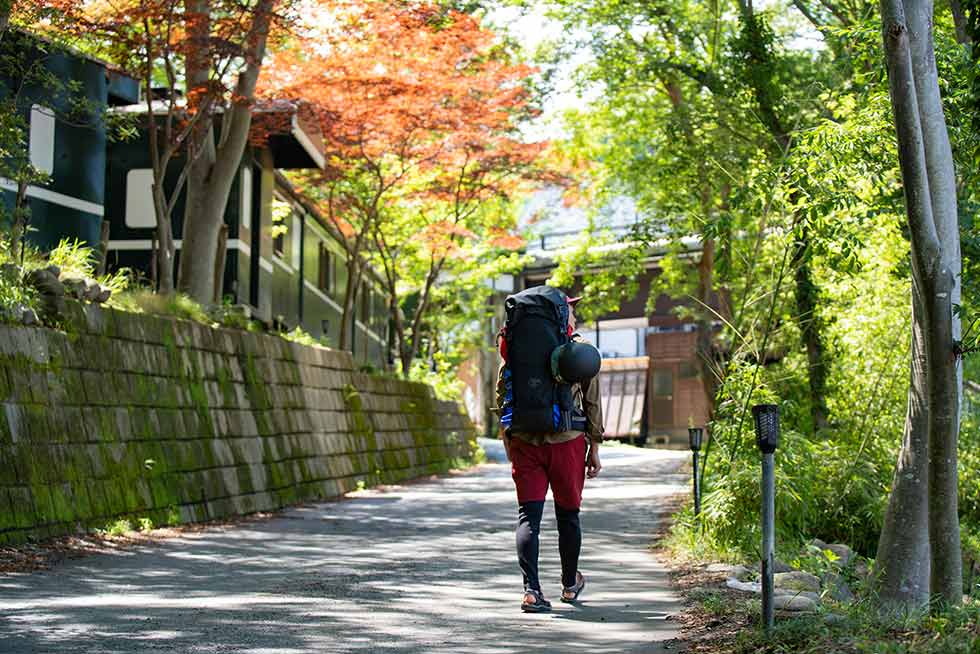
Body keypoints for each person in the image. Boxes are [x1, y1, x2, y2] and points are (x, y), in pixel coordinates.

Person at [496, 294, 604, 613]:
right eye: (571, 308)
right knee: (567, 514)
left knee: (528, 516)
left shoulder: (514, 343)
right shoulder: (577, 348)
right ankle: (570, 586)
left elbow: (503, 390)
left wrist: (508, 440)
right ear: (560, 313)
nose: (574, 314)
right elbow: (592, 399)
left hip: (524, 441)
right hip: (567, 441)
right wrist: (594, 447)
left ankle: (531, 591)